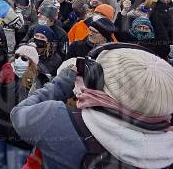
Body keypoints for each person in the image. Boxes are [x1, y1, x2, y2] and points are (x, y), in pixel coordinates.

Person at [12, 45, 173, 169]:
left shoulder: (56, 119)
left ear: (97, 81)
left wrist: (62, 83)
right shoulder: (166, 150)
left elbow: (19, 114)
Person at [0, 44, 47, 169]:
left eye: (24, 58)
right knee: (2, 164)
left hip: (19, 138)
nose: (19, 60)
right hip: (1, 130)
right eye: (17, 56)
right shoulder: (9, 73)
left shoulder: (39, 82)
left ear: (32, 62)